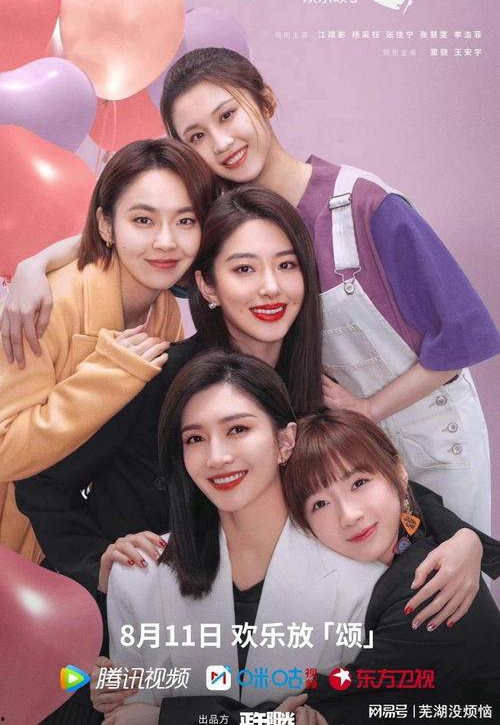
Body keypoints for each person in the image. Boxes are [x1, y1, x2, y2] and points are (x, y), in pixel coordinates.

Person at [3, 48, 498, 529]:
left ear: (266, 101)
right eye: (197, 136)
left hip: (426, 436)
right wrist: (36, 264)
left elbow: (463, 337)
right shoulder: (223, 227)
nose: (221, 143)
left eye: (228, 115)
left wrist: (369, 410)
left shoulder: (363, 205)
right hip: (333, 455)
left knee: (453, 568)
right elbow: (143, 237)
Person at [16, 188, 487, 628]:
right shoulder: (158, 376)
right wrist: (94, 563)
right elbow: (42, 483)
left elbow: (364, 478)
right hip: (127, 618)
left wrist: (462, 536)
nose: (270, 288)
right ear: (207, 286)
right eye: (244, 269)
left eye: (286, 265)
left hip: (243, 624)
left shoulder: (314, 388)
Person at [90, 353, 500, 725]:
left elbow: (338, 710)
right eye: (195, 439)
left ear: (285, 441)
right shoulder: (139, 575)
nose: (217, 457)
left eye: (237, 429)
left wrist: (466, 538)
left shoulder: (384, 585)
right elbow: (121, 706)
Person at [0, 137, 217, 563]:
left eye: (186, 221)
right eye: (143, 220)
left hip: (68, 542)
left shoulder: (163, 313)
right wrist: (110, 376)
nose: (166, 241)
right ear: (105, 225)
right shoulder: (49, 306)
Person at [282, 409, 500, 721]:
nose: (349, 515)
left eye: (359, 483)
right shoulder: (411, 538)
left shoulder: (430, 588)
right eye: (320, 504)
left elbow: (332, 704)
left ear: (398, 470)